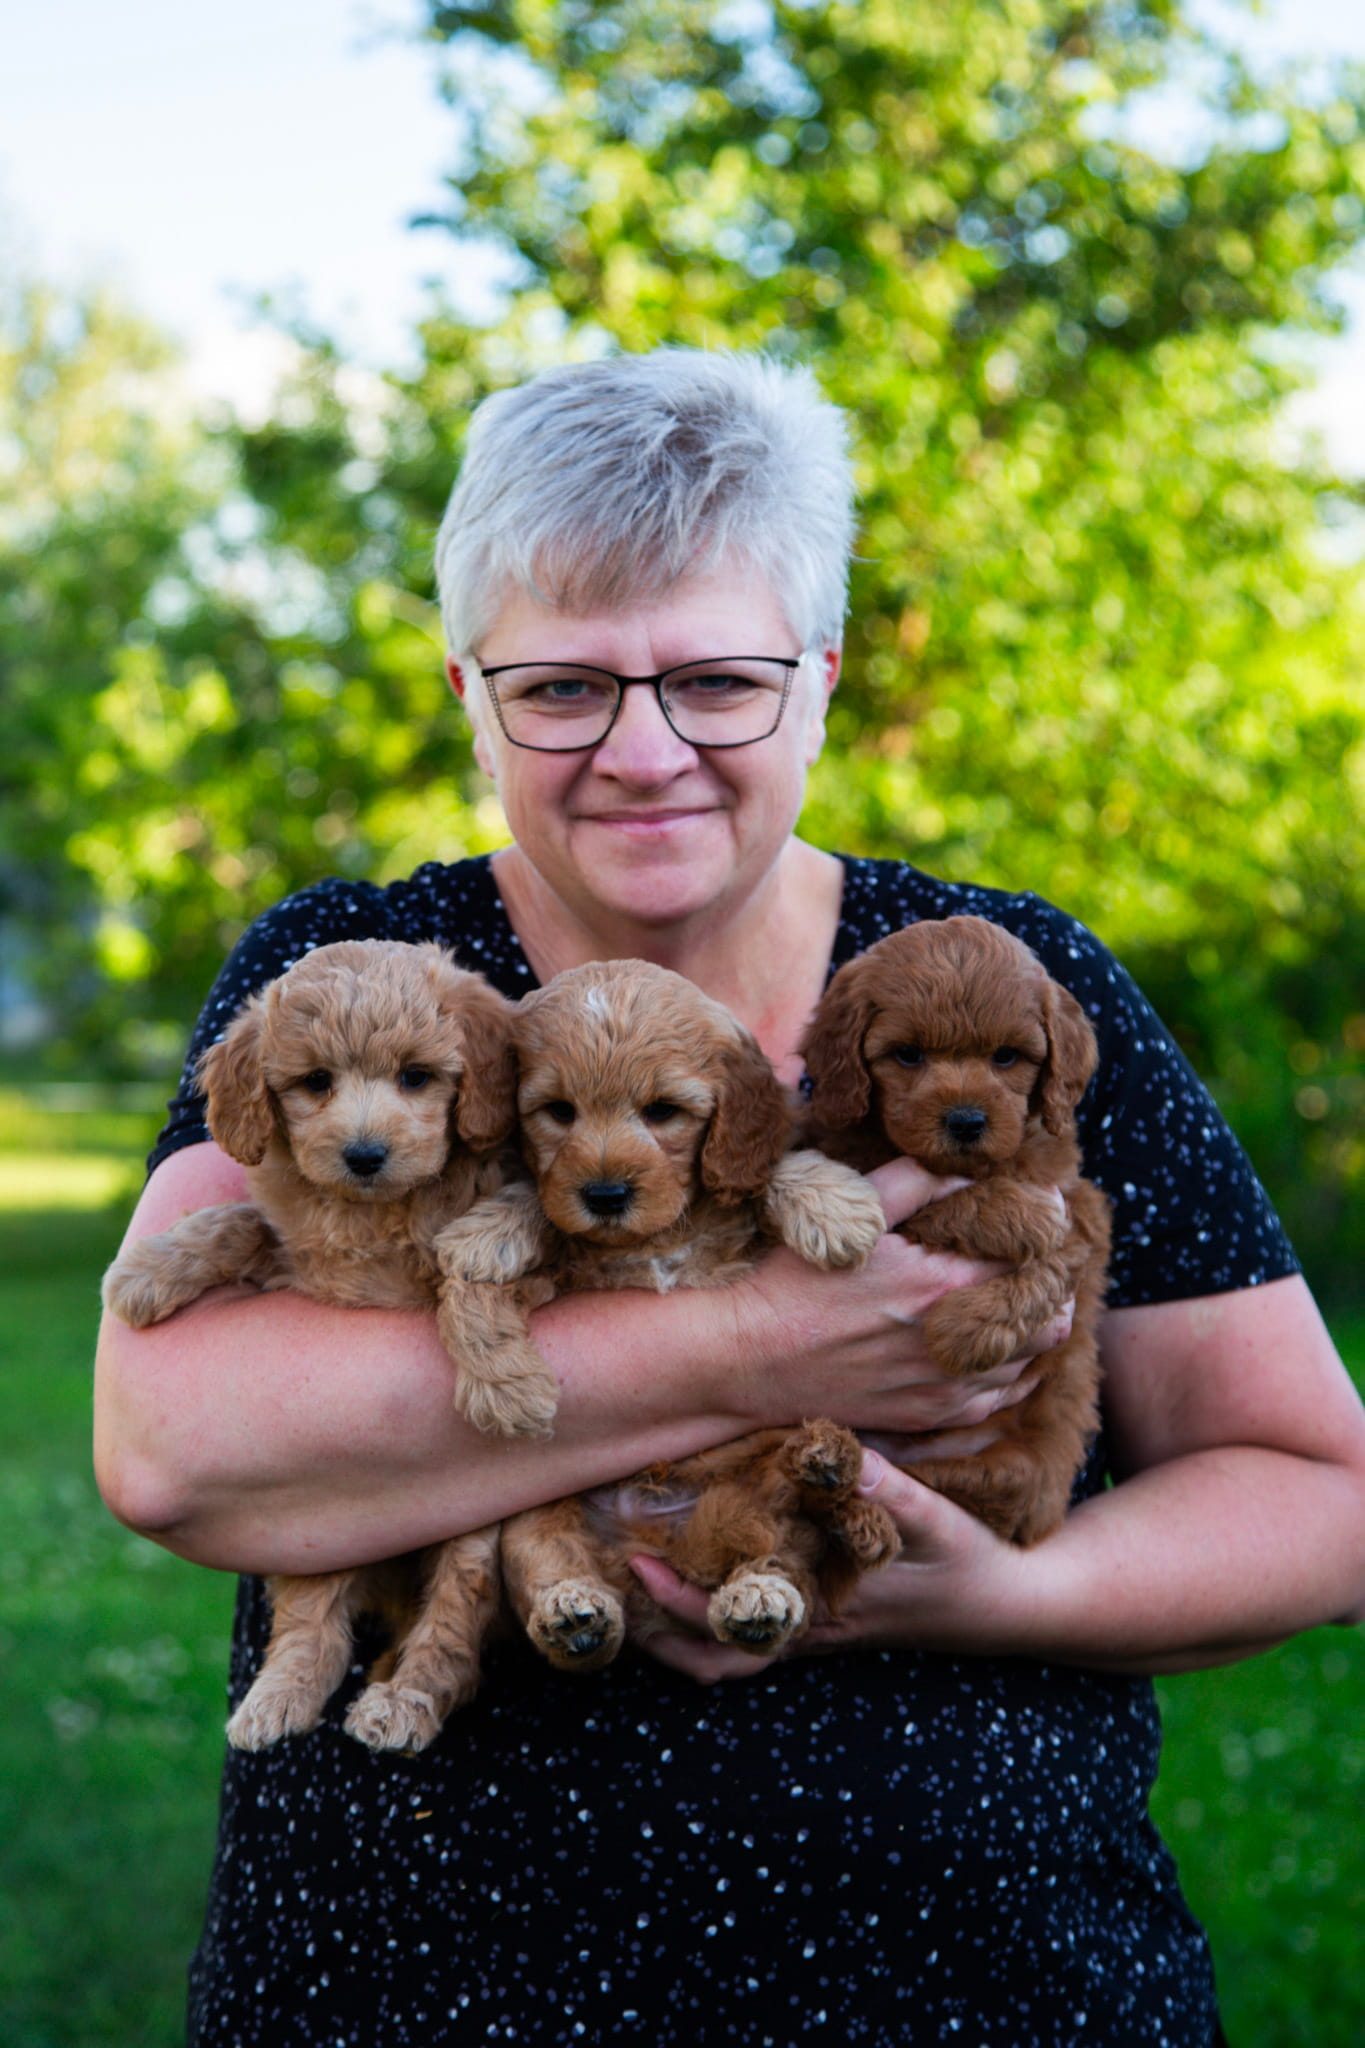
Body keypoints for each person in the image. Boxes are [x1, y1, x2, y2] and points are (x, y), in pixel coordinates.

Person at [95, 349, 1365, 2047]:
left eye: (717, 680)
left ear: (822, 679)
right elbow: (176, 1448)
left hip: (985, 1990)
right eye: (561, 689)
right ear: (467, 690)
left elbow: (1315, 1493)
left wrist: (995, 1593)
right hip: (413, 1991)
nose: (642, 752)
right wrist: (770, 1344)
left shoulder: (993, 983)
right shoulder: (371, 982)